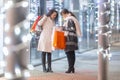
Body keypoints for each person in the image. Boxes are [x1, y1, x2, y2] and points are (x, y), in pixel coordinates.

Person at [60, 9, 82, 73]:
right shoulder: (72, 18)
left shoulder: (69, 19)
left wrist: (63, 28)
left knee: (69, 53)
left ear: (65, 13)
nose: (62, 16)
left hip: (70, 38)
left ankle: (70, 68)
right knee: (71, 53)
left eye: (62, 15)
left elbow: (72, 29)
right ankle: (71, 68)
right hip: (72, 38)